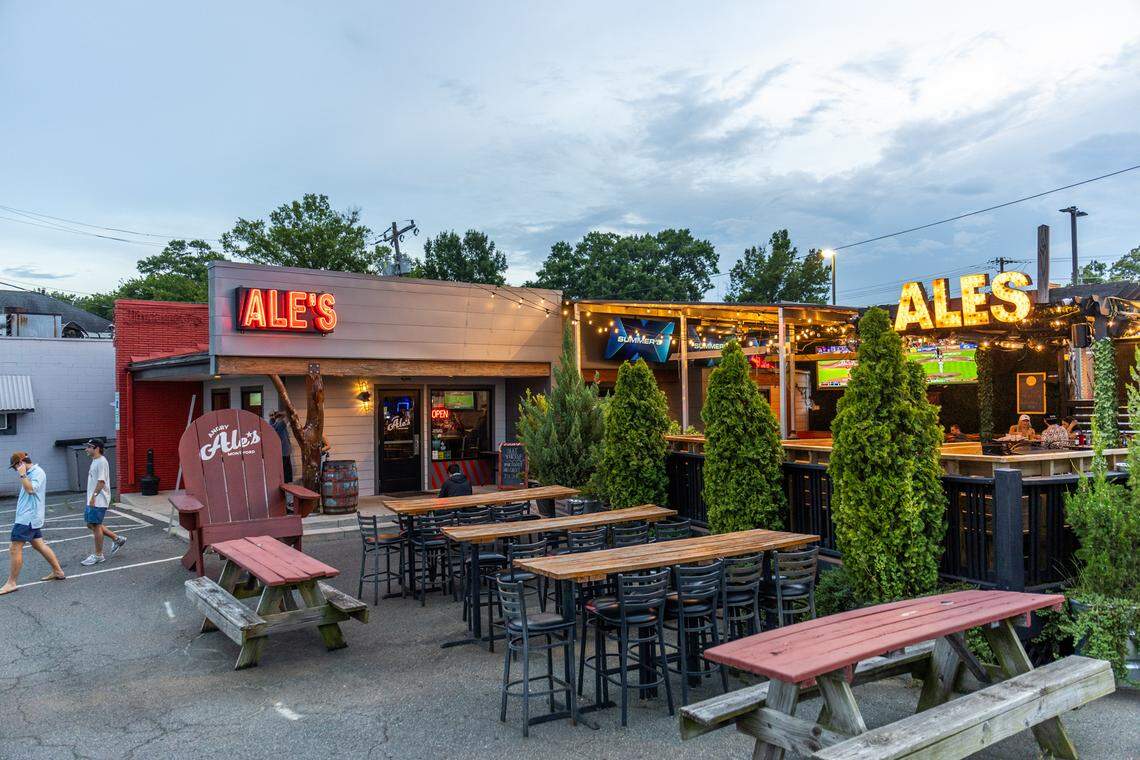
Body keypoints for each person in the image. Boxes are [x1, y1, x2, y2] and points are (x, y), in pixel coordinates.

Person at [2, 452, 65, 595]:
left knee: (14, 548)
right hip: (29, 517)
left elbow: (30, 489)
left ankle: (11, 583)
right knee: (38, 544)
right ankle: (58, 571)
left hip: (28, 518)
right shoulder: (30, 472)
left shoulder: (37, 472)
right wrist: (24, 474)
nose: (15, 470)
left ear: (21, 463)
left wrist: (22, 475)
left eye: (15, 466)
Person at [81, 439, 125, 566]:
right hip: (93, 498)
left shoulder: (101, 462)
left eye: (89, 447)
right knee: (91, 524)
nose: (86, 449)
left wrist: (94, 496)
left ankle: (99, 555)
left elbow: (101, 482)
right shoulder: (95, 461)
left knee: (95, 526)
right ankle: (117, 539)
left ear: (97, 448)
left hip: (99, 499)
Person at [270, 411, 294, 483]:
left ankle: (284, 483)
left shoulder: (272, 425)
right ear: (280, 418)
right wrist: (282, 413)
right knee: (286, 472)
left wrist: (273, 416)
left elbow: (271, 419)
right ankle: (286, 485)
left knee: (283, 471)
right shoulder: (279, 425)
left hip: (282, 452)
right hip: (284, 453)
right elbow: (289, 415)